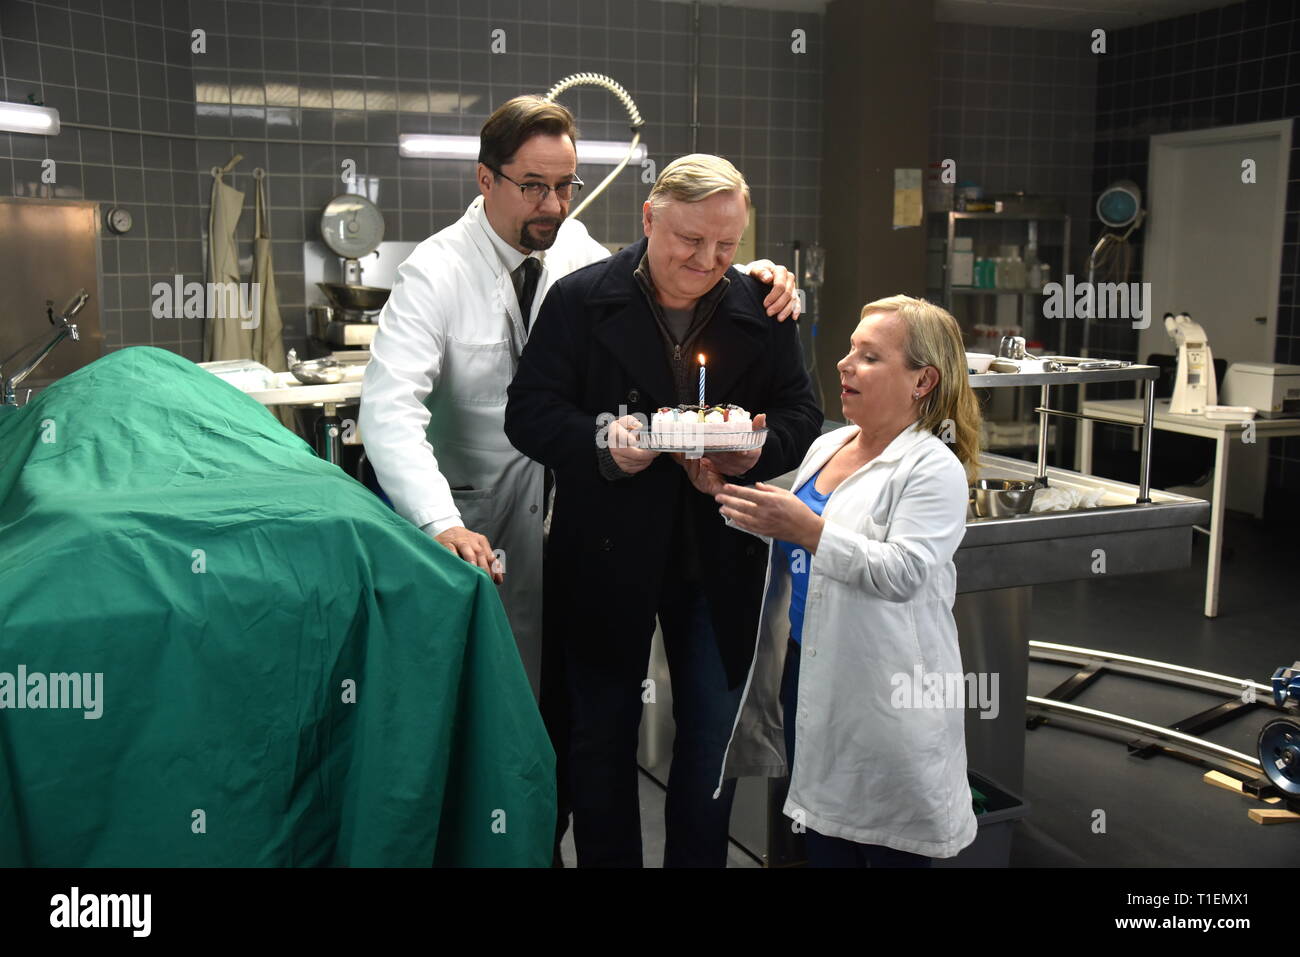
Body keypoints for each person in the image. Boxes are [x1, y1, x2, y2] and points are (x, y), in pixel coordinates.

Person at [358, 97, 801, 864]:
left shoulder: (577, 257)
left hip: (585, 517)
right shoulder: (435, 271)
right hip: (477, 515)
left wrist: (751, 269)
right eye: (534, 185)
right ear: (486, 178)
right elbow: (390, 411)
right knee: (508, 721)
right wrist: (439, 520)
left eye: (566, 185)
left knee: (573, 721)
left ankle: (545, 841)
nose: (554, 204)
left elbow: (679, 257)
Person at [504, 154, 823, 867]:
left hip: (718, 554)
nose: (708, 260)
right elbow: (528, 414)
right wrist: (601, 441)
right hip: (606, 549)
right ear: (648, 218)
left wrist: (758, 446)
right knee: (599, 738)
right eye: (689, 240)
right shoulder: (581, 300)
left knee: (711, 737)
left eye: (726, 245)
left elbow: (805, 412)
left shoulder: (762, 308)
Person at [706, 294, 982, 867]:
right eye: (850, 349)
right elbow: (791, 532)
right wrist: (722, 491)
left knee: (884, 843)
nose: (844, 364)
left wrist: (810, 531)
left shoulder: (933, 467)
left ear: (922, 380)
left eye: (869, 356)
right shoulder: (832, 444)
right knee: (826, 837)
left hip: (887, 689)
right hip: (810, 668)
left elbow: (903, 572)